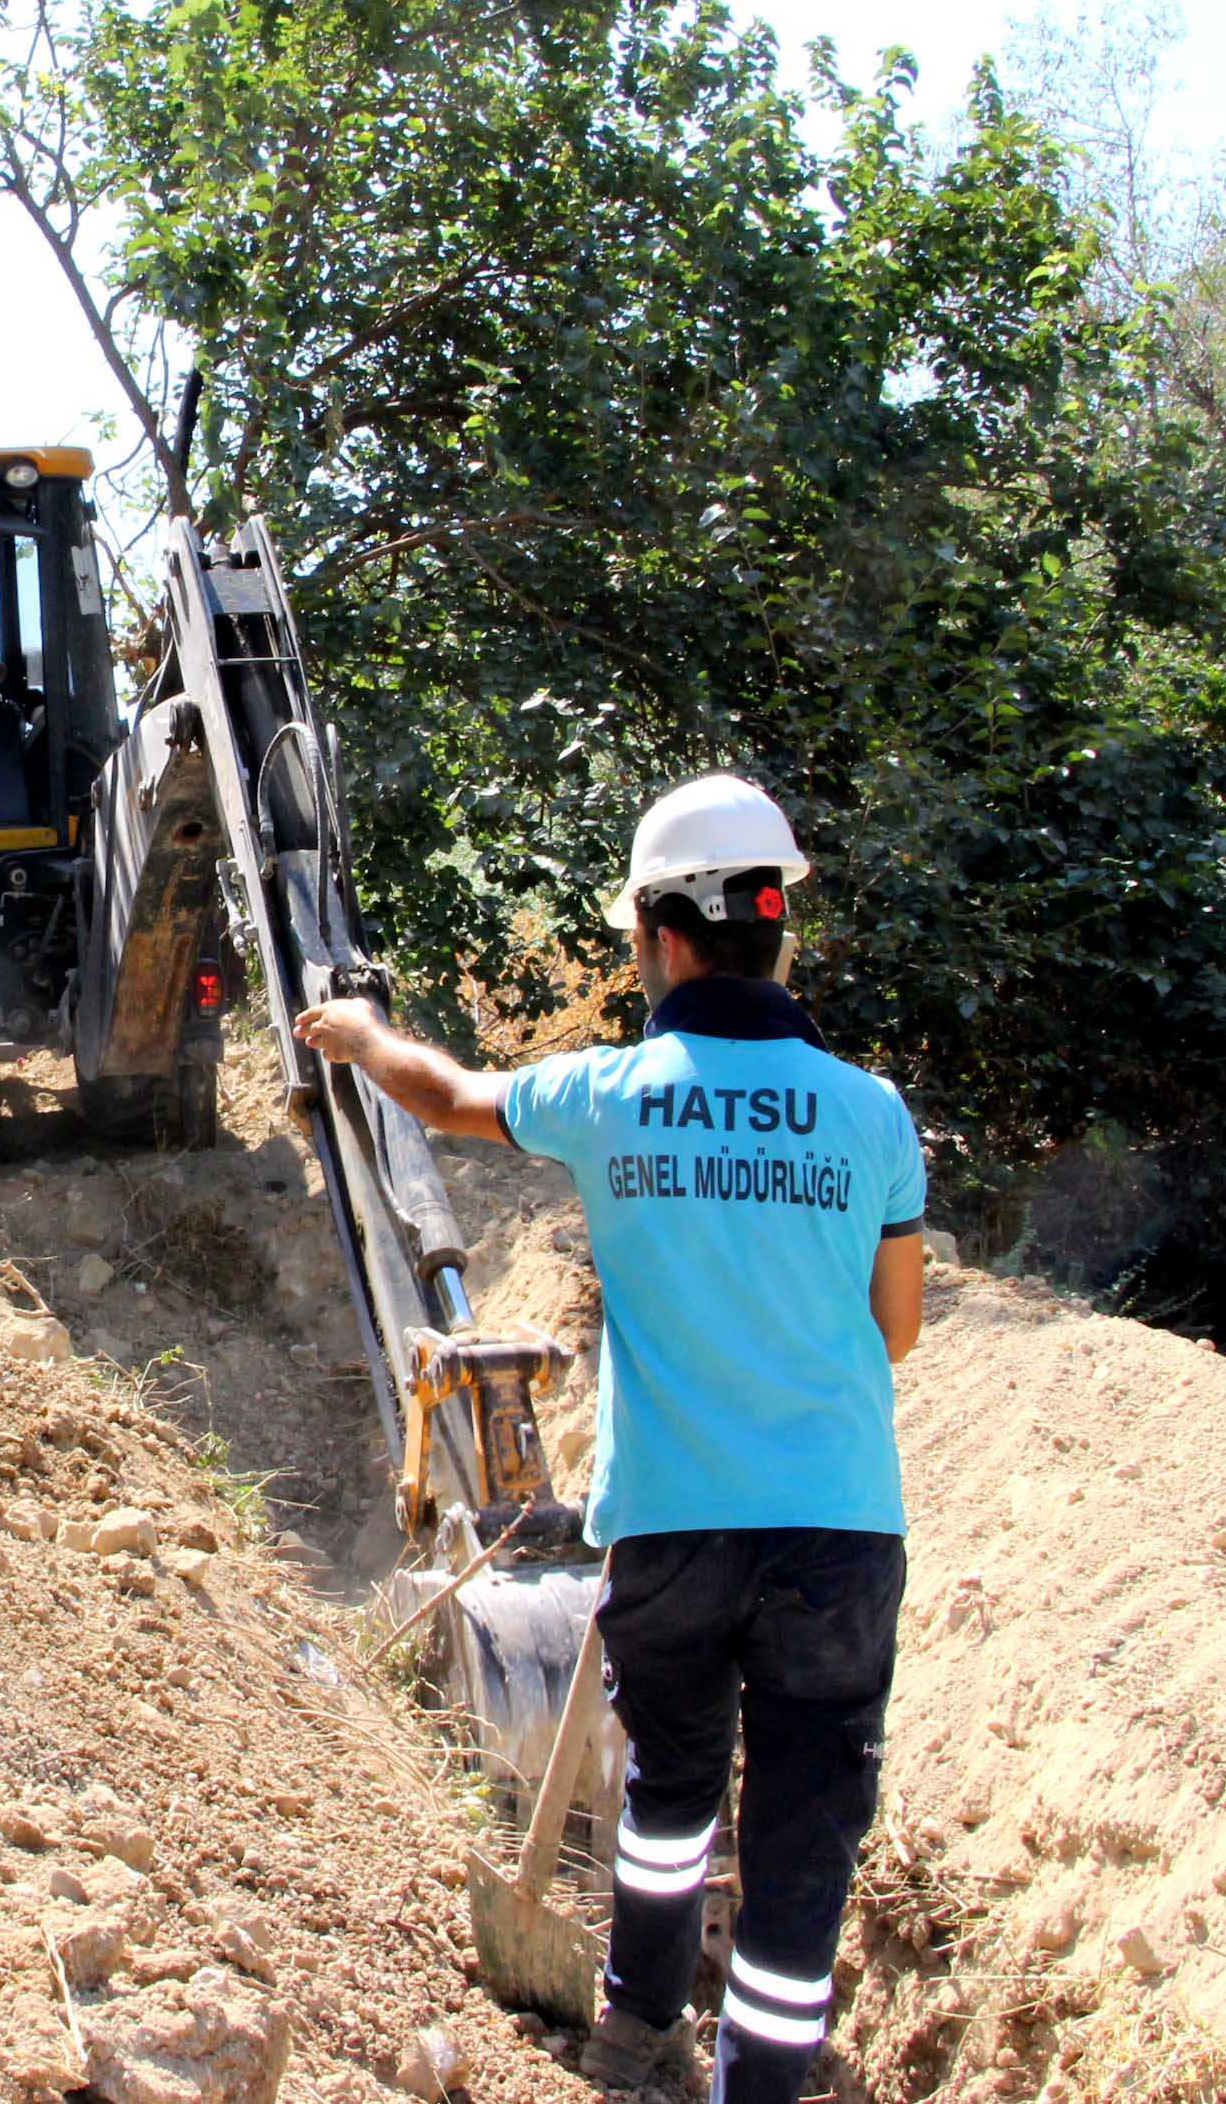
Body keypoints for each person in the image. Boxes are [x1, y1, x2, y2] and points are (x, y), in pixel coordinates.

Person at [292, 773, 926, 2104]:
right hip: (836, 1526)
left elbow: (450, 1096)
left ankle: (637, 2031)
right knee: (804, 1833)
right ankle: (760, 2082)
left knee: (669, 1796)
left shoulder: (613, 1092)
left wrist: (355, 1035)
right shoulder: (872, 1114)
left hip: (675, 1526)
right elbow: (898, 1328)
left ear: (659, 933)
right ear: (772, 926)